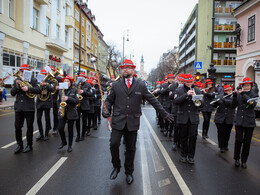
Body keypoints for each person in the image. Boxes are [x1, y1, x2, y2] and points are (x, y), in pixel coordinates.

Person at [102, 59, 173, 184]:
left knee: (130, 148)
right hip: (118, 120)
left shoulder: (140, 85)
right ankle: (116, 166)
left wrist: (164, 113)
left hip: (132, 122)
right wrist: (105, 109)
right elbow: (108, 100)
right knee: (113, 144)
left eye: (128, 67)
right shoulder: (116, 85)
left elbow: (153, 100)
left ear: (133, 69)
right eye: (123, 67)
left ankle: (129, 172)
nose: (125, 69)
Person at [173, 73, 204, 164]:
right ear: (184, 82)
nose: (189, 84)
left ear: (193, 81)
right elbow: (176, 101)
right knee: (183, 137)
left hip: (193, 118)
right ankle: (183, 155)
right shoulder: (179, 90)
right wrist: (186, 94)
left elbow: (202, 105)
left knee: (193, 137)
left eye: (191, 82)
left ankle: (191, 156)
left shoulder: (198, 91)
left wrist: (195, 97)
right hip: (183, 117)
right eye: (187, 82)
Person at [11, 64, 41, 153]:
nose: (22, 72)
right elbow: (12, 93)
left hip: (29, 107)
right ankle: (19, 145)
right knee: (17, 127)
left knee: (29, 127)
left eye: (24, 71)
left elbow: (38, 90)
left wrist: (28, 88)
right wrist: (17, 86)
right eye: (21, 71)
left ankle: (29, 145)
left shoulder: (33, 80)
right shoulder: (17, 80)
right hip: (19, 107)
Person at [232, 77, 258, 168]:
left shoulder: (254, 94)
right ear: (242, 86)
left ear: (251, 86)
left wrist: (243, 94)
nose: (246, 87)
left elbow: (252, 104)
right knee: (238, 140)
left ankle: (244, 161)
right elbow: (233, 105)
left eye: (248, 85)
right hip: (239, 120)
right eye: (245, 85)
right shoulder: (239, 94)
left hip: (249, 121)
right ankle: (236, 159)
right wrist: (235, 96)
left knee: (247, 142)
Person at [57, 75, 79, 152]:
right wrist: (59, 106)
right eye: (65, 81)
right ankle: (64, 141)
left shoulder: (74, 90)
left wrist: (68, 98)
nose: (66, 82)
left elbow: (77, 101)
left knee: (70, 130)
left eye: (68, 81)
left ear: (70, 82)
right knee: (60, 128)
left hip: (71, 112)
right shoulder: (61, 90)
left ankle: (70, 145)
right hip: (62, 111)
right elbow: (58, 100)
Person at [212, 85, 235, 153]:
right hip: (220, 117)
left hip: (229, 117)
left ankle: (225, 145)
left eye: (231, 90)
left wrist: (223, 100)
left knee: (227, 132)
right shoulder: (220, 96)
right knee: (221, 132)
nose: (230, 91)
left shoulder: (234, 97)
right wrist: (215, 102)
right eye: (228, 90)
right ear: (225, 91)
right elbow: (214, 105)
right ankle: (221, 146)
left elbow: (233, 104)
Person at [36, 69, 54, 141]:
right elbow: (35, 90)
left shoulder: (50, 81)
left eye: (44, 75)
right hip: (39, 101)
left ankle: (46, 134)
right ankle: (41, 133)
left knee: (47, 118)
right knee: (38, 118)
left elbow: (52, 89)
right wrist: (39, 85)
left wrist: (46, 85)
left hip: (47, 102)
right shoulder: (37, 81)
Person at [75, 72, 93, 141]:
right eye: (80, 76)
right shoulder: (76, 85)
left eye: (82, 77)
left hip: (85, 104)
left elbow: (90, 93)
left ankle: (83, 134)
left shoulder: (88, 85)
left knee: (84, 120)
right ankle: (78, 135)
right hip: (77, 104)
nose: (81, 78)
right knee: (77, 120)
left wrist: (83, 92)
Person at [169, 73, 184, 150]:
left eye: (182, 81)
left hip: (183, 110)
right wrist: (177, 90)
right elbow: (171, 96)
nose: (181, 82)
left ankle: (180, 142)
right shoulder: (173, 86)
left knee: (182, 128)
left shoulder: (186, 87)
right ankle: (175, 142)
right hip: (176, 109)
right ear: (177, 80)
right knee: (176, 126)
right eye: (180, 80)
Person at [50, 66, 62, 135]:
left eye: (52, 70)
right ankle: (52, 127)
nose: (51, 72)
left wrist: (59, 87)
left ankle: (57, 127)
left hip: (57, 97)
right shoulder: (49, 79)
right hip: (51, 98)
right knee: (52, 114)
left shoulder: (58, 78)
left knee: (57, 113)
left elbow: (65, 85)